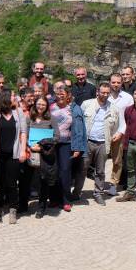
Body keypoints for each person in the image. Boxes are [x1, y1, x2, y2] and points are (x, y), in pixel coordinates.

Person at [0, 93, 29, 224]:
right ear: (6, 99)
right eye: (14, 97)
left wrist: (23, 150)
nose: (17, 99)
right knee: (0, 182)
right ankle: (0, 207)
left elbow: (24, 132)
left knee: (12, 183)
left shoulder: (18, 112)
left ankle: (13, 209)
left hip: (14, 153)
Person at [81, 83, 121, 206]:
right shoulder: (86, 104)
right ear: (97, 92)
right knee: (82, 168)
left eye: (107, 93)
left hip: (103, 143)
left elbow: (115, 126)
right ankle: (77, 192)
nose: (105, 95)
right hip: (87, 142)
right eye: (102, 92)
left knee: (100, 170)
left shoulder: (113, 108)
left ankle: (98, 193)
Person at [50, 83, 86, 211]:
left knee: (65, 172)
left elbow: (78, 129)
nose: (60, 96)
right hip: (52, 144)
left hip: (66, 144)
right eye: (58, 94)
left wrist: (77, 147)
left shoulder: (73, 109)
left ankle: (66, 200)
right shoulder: (50, 107)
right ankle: (54, 199)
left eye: (62, 94)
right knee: (53, 172)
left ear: (68, 96)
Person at [27, 97, 56, 217]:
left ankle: (41, 206)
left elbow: (57, 137)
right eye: (39, 104)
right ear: (35, 104)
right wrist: (29, 145)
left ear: (47, 106)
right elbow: (23, 134)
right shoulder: (29, 118)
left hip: (44, 154)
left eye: (43, 104)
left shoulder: (51, 119)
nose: (40, 106)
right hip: (30, 152)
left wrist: (42, 145)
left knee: (43, 180)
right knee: (28, 180)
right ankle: (23, 205)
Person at [107, 73, 134, 194]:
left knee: (117, 161)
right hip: (103, 133)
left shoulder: (128, 98)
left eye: (118, 82)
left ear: (122, 83)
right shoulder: (103, 95)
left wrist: (121, 132)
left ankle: (113, 185)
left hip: (119, 134)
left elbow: (130, 118)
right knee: (99, 160)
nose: (116, 84)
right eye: (113, 82)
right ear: (109, 82)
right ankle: (99, 184)